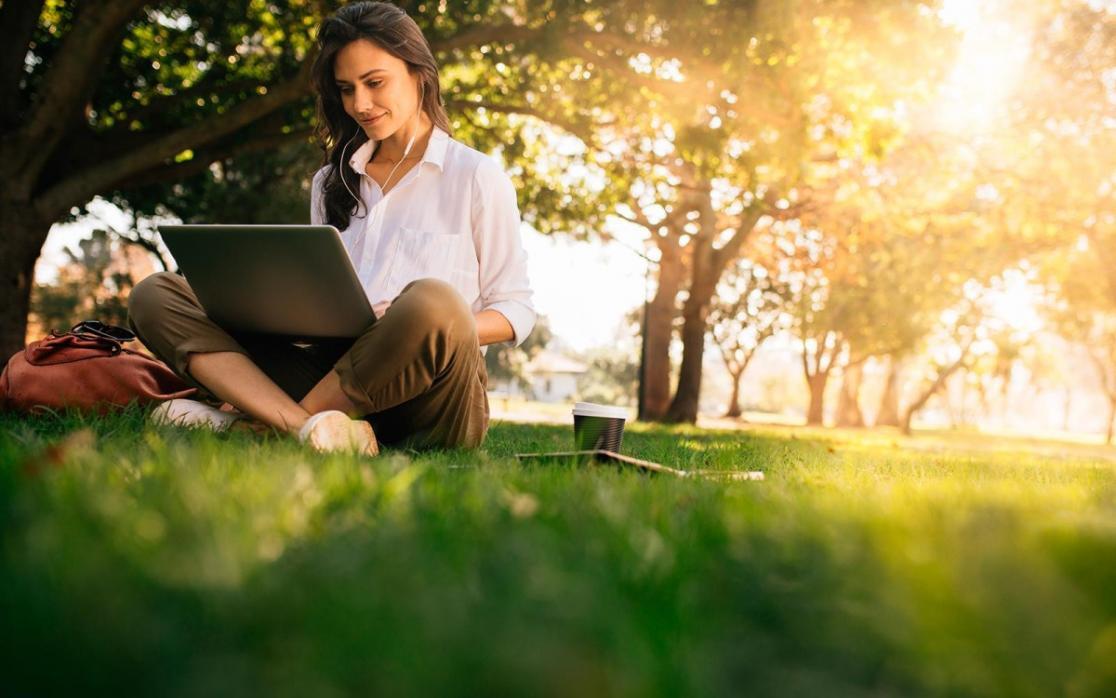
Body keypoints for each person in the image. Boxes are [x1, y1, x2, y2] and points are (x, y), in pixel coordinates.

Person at [127, 1, 536, 455]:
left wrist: (418, 323)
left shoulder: (475, 176)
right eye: (346, 89)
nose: (360, 104)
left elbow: (515, 310)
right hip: (333, 373)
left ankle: (260, 426)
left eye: (375, 83)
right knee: (156, 293)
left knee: (432, 302)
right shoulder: (331, 183)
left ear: (419, 73)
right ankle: (310, 429)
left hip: (433, 400)